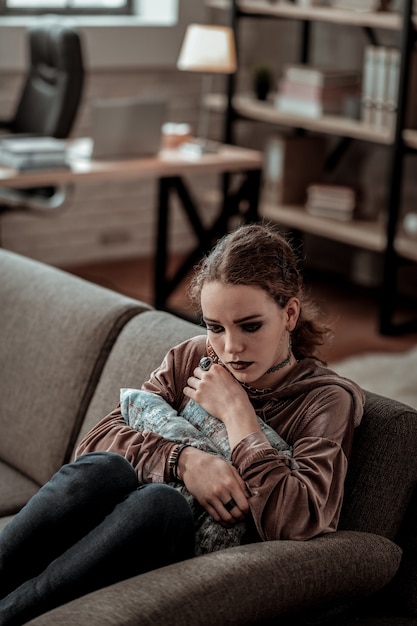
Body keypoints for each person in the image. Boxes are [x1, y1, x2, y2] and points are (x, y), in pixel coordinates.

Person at [0, 223, 364, 625]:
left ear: (289, 313)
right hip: (116, 523)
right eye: (215, 327)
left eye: (251, 325)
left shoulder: (326, 399)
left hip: (185, 546)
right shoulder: (193, 356)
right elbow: (93, 446)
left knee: (161, 504)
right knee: (103, 469)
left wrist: (238, 416)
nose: (230, 348)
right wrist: (184, 461)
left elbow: (299, 518)